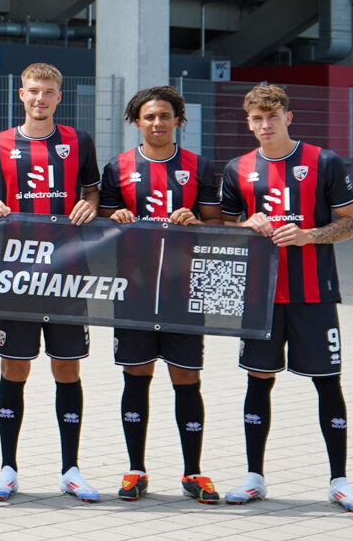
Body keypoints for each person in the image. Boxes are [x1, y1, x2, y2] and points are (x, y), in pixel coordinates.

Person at [214, 84, 353, 512]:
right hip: (260, 297)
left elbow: (352, 224)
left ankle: (339, 480)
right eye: (257, 119)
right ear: (248, 122)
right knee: (257, 380)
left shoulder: (325, 162)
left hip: (314, 294)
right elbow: (224, 228)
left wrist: (308, 235)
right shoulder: (237, 168)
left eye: (273, 116)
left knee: (327, 382)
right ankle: (254, 476)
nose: (265, 125)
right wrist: (246, 224)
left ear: (288, 116)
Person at [0, 62, 103, 503]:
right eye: (33, 91)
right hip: (17, 273)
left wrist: (90, 205)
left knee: (67, 368)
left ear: (59, 97)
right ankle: (8, 467)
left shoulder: (79, 141)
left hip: (69, 273)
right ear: (21, 94)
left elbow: (92, 192)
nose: (40, 98)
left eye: (49, 92)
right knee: (14, 367)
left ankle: (71, 469)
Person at [97, 85, 222, 504]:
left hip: (184, 289)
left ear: (177, 121)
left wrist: (195, 221)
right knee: (137, 375)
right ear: (137, 121)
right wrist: (113, 216)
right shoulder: (117, 168)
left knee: (187, 377)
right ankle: (136, 469)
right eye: (148, 117)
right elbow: (102, 225)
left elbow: (216, 225)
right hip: (134, 288)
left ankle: (194, 472)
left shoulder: (199, 167)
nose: (157, 123)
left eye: (164, 116)